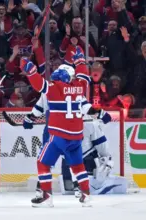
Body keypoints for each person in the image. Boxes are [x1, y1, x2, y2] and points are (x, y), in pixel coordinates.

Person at [20, 47, 111, 207]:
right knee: (77, 165)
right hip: (76, 137)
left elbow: (38, 84)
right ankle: (86, 195)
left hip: (58, 136)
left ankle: (46, 197)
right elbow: (87, 99)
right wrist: (81, 62)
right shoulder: (79, 88)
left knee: (43, 163)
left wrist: (31, 70)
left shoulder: (53, 89)